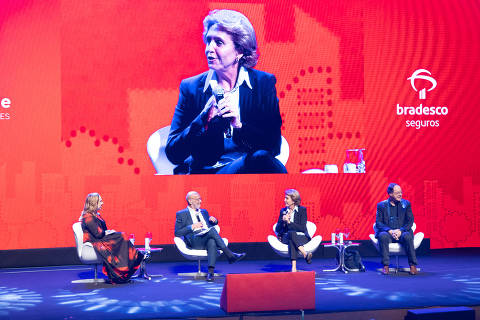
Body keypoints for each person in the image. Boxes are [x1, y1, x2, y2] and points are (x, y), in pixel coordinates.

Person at [165, 9, 287, 174]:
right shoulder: (191, 87)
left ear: (239, 51)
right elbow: (173, 154)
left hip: (247, 172)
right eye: (208, 41)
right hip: (206, 173)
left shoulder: (263, 84)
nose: (209, 49)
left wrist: (238, 125)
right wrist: (202, 120)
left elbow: (273, 146)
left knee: (261, 157)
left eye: (219, 43)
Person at [174, 191, 246, 281]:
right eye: (197, 199)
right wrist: (191, 227)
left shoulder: (204, 212)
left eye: (200, 199)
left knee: (211, 241)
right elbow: (177, 233)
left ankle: (210, 273)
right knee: (212, 232)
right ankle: (230, 255)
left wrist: (214, 221)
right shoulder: (181, 214)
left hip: (206, 238)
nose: (200, 201)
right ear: (190, 201)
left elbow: (209, 227)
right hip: (194, 241)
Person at [79, 193, 144, 283]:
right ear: (94, 202)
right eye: (100, 201)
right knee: (122, 236)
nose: (102, 203)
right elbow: (98, 234)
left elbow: (102, 230)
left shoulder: (96, 215)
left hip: (100, 238)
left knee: (121, 235)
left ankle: (131, 261)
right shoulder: (88, 216)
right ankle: (125, 267)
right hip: (96, 241)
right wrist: (108, 232)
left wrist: (108, 232)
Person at [375, 183, 418, 275]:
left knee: (407, 236)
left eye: (401, 192)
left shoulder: (406, 204)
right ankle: (385, 266)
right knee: (382, 236)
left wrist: (400, 230)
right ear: (390, 194)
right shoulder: (381, 205)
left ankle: (412, 265)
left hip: (402, 232)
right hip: (388, 233)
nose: (400, 194)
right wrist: (390, 231)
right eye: (397, 192)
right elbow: (378, 222)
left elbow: (410, 221)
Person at [275, 189, 312, 272]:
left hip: (301, 237)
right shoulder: (283, 211)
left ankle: (294, 268)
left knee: (292, 236)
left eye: (287, 198)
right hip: (286, 237)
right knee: (291, 234)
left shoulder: (302, 210)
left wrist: (289, 222)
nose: (284, 200)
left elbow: (302, 228)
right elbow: (277, 229)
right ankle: (305, 254)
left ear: (293, 200)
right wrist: (282, 220)